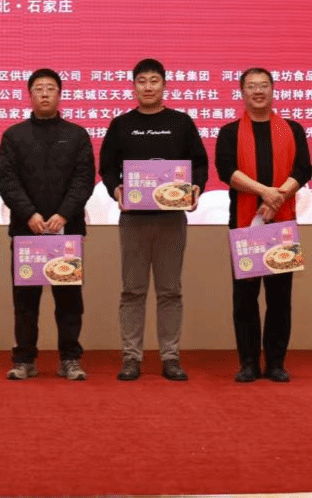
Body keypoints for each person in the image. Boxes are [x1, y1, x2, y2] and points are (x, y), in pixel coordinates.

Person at [99, 58, 208, 381]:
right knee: (132, 291)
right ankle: (131, 358)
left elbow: (199, 163)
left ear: (164, 85)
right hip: (133, 219)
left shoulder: (181, 123)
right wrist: (115, 189)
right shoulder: (121, 124)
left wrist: (195, 188)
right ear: (134, 86)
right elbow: (107, 167)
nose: (148, 87)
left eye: (154, 81)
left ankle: (170, 357)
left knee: (170, 291)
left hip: (171, 220)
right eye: (142, 81)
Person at [215, 67, 312, 383]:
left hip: (281, 223)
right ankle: (247, 363)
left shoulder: (293, 129)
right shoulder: (229, 132)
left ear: (273, 89)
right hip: (245, 223)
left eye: (264, 85)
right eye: (251, 86)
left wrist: (278, 197)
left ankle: (275, 363)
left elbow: (303, 168)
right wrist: (266, 193)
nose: (258, 91)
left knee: (279, 298)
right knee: (245, 299)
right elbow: (226, 170)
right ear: (242, 92)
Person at [0, 68, 95, 381]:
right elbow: (7, 180)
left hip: (67, 230)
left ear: (59, 94)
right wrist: (30, 214)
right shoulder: (14, 135)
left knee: (69, 301)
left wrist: (64, 214)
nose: (44, 94)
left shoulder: (77, 135)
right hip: (27, 230)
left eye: (50, 88)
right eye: (38, 88)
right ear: (29, 95)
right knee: (25, 301)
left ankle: (70, 359)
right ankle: (24, 359)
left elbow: (84, 179)